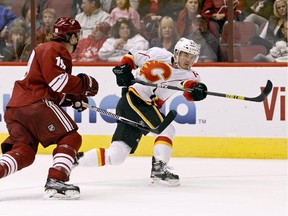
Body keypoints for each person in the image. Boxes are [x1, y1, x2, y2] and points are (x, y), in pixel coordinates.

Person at [76, 37, 208, 186]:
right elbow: (132, 56)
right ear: (177, 52)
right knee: (166, 130)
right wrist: (123, 67)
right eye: (185, 55)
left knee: (117, 156)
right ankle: (159, 169)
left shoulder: (191, 76)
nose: (189, 60)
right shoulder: (159, 54)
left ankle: (74, 160)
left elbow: (189, 90)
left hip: (142, 107)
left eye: (192, 57)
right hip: (135, 99)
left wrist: (197, 92)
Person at [0, 17, 99, 199]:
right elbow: (58, 82)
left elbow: (50, 86)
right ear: (72, 37)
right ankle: (57, 179)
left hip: (17, 108)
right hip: (35, 104)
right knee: (70, 136)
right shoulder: (55, 49)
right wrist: (84, 84)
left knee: (24, 152)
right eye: (76, 35)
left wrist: (71, 99)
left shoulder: (46, 49)